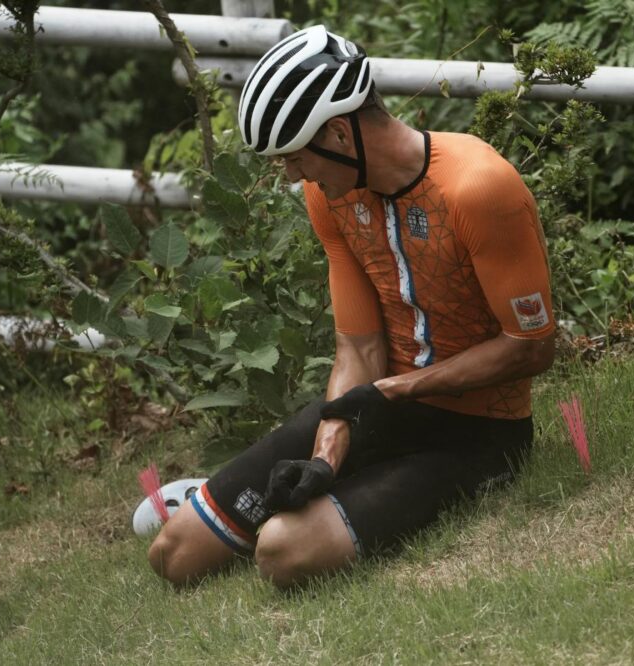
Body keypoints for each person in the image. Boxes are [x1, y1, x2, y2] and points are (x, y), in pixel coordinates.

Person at [138, 24, 556, 589]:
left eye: (293, 156)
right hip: (374, 410)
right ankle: (252, 493)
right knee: (174, 556)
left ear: (337, 133)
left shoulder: (479, 188)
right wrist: (327, 453)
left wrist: (389, 393)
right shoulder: (329, 195)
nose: (290, 174)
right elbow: (359, 345)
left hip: (479, 432)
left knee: (282, 553)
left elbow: (531, 347)